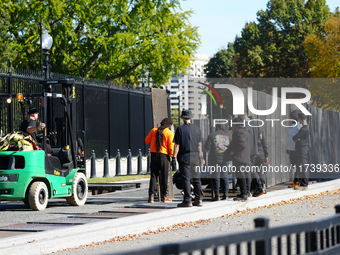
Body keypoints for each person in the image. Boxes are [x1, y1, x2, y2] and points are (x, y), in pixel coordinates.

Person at [173, 109, 204, 207]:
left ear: (182, 118)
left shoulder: (180, 129)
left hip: (184, 157)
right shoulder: (197, 129)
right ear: (190, 118)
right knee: (196, 178)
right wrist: (200, 157)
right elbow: (199, 145)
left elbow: (177, 145)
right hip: (195, 156)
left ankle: (187, 200)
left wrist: (173, 157)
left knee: (186, 179)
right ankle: (199, 199)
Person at [145, 118, 174, 203]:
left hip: (154, 155)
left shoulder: (154, 130)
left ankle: (151, 196)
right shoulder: (169, 133)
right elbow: (171, 147)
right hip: (164, 156)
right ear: (169, 125)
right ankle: (165, 196)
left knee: (153, 176)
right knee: (165, 176)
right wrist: (173, 157)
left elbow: (147, 141)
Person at [224, 117, 250, 202]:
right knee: (243, 176)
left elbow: (242, 144)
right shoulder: (245, 131)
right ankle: (245, 192)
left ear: (235, 124)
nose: (231, 126)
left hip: (239, 158)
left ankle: (243, 194)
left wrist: (232, 151)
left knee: (240, 176)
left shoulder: (239, 132)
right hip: (244, 157)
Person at [204, 123, 231, 201]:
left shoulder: (212, 135)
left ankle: (217, 195)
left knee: (216, 176)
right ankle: (225, 194)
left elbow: (206, 147)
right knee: (224, 176)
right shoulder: (228, 136)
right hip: (226, 158)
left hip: (215, 158)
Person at [240, 112, 263, 197]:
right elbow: (260, 137)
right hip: (255, 150)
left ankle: (251, 190)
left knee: (248, 171)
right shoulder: (255, 123)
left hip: (247, 151)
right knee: (251, 169)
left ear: (242, 116)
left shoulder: (245, 125)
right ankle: (259, 186)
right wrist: (254, 141)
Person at [292, 112, 309, 191]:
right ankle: (303, 184)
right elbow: (296, 138)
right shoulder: (306, 128)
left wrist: (296, 139)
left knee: (303, 166)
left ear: (300, 119)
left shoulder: (304, 129)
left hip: (302, 149)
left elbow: (295, 137)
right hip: (302, 149)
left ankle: (304, 185)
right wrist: (297, 139)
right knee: (302, 166)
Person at [286, 110, 302, 188]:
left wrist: (297, 149)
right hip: (291, 149)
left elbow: (300, 138)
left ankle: (297, 181)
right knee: (294, 166)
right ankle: (296, 180)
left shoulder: (299, 125)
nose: (291, 118)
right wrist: (288, 148)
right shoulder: (292, 125)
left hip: (296, 150)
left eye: (292, 117)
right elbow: (289, 137)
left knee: (297, 166)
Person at [253, 129, 269, 193]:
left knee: (253, 171)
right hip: (261, 153)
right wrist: (266, 155)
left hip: (253, 154)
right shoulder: (259, 131)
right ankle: (263, 186)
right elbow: (264, 144)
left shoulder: (247, 130)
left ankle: (255, 187)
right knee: (260, 171)